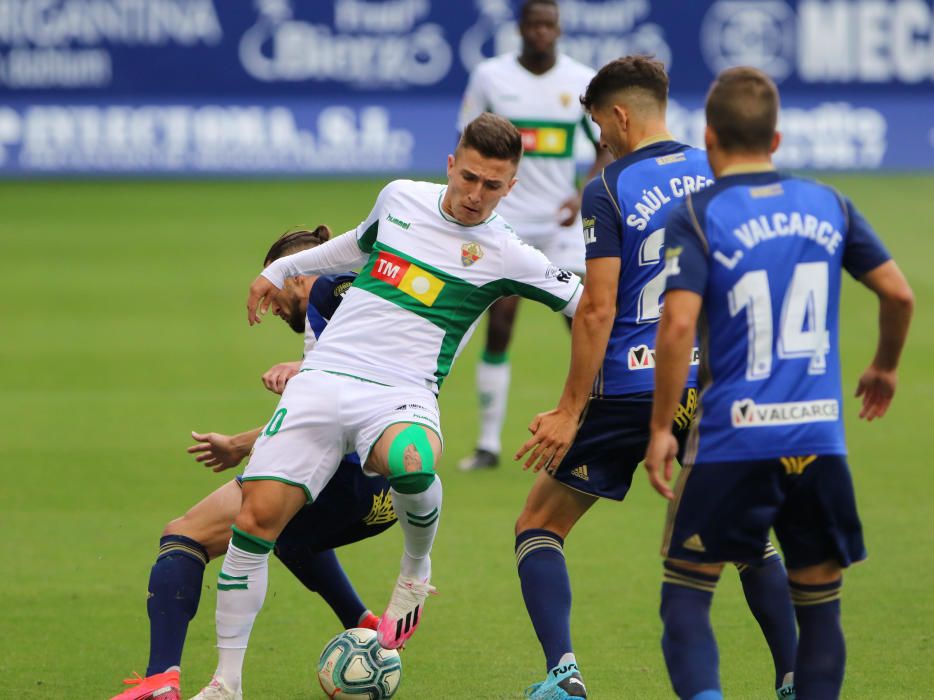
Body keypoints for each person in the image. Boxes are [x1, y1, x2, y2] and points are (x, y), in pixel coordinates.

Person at [190, 112, 584, 700]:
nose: (476, 195)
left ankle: (415, 570)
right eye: (469, 178)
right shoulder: (400, 197)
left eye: (493, 185)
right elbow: (354, 245)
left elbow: (587, 306)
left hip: (402, 389)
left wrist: (585, 396)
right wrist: (279, 269)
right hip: (323, 380)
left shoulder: (507, 253)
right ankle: (226, 683)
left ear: (512, 187)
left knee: (411, 458)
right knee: (254, 525)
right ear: (451, 165)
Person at [514, 57, 798, 700]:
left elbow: (597, 306)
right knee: (749, 537)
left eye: (598, 127)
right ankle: (792, 677)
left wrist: (568, 408)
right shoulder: (722, 173)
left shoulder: (609, 186)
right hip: (717, 382)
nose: (600, 141)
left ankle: (564, 677)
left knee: (538, 524)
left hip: (629, 388)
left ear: (619, 115)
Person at [643, 66, 913, 700]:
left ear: (708, 140)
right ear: (778, 140)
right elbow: (898, 294)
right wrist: (885, 366)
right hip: (818, 439)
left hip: (732, 441)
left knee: (686, 596)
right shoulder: (830, 204)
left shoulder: (698, 214)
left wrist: (660, 428)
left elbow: (677, 326)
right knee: (819, 608)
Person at [112, 229, 396, 700]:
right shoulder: (326, 323)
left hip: (348, 475)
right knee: (281, 529)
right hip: (379, 499)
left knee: (184, 535)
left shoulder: (340, 291)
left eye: (275, 285)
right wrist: (250, 438)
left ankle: (162, 680)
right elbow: (327, 415)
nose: (270, 305)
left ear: (300, 275)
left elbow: (354, 386)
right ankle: (365, 625)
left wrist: (293, 382)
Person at [456, 0, 610, 470]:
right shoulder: (490, 77)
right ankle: (487, 444)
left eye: (550, 24)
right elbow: (465, 143)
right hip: (506, 225)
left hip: (563, 225)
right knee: (499, 326)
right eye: (534, 24)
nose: (542, 32)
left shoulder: (579, 80)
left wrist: (583, 193)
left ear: (558, 29)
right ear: (521, 28)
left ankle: (598, 433)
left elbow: (606, 146)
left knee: (584, 321)